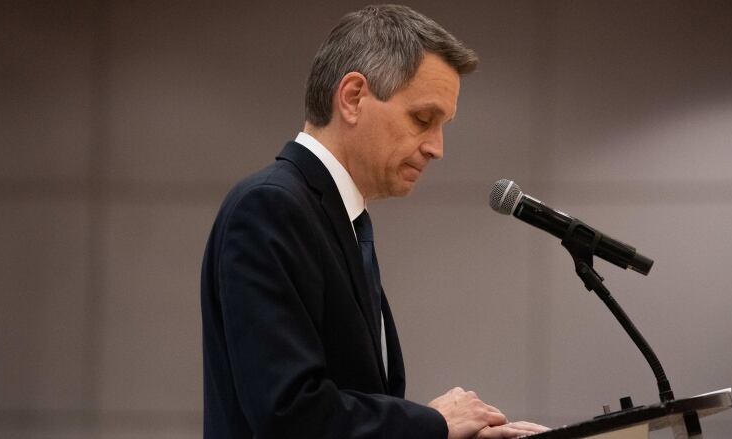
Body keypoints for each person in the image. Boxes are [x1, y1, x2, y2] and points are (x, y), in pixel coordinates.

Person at [201, 4, 549, 438]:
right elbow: (289, 414)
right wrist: (435, 424)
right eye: (423, 119)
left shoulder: (337, 219)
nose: (436, 148)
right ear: (352, 97)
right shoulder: (271, 209)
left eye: (443, 126)